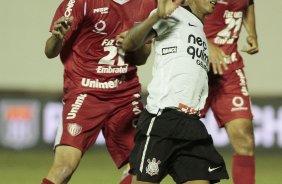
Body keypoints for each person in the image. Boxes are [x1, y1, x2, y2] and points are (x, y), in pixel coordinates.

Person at [41, 0, 157, 184]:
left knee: (144, 168)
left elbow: (142, 58)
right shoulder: (81, 3)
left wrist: (136, 42)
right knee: (64, 167)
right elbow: (50, 51)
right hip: (85, 93)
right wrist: (57, 37)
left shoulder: (148, 4)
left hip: (125, 95)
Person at [121, 0, 229, 183]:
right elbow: (129, 44)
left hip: (192, 123)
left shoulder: (199, 29)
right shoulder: (174, 14)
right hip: (164, 118)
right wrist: (155, 16)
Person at [202, 0, 259, 184]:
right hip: (196, 67)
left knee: (244, 137)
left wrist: (252, 33)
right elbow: (175, 13)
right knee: (168, 141)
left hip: (230, 69)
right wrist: (205, 44)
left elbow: (248, 4)